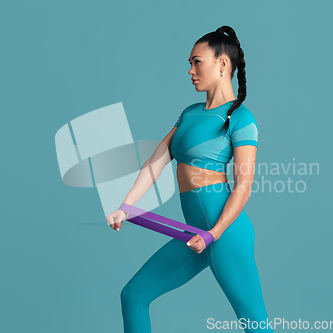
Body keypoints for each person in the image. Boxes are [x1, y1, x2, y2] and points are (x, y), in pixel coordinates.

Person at [106, 25, 274, 333]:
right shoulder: (189, 113)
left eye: (197, 62)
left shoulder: (240, 118)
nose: (190, 70)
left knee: (254, 322)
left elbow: (244, 185)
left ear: (222, 64)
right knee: (133, 296)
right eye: (190, 63)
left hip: (226, 232)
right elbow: (156, 161)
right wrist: (125, 206)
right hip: (194, 233)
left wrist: (214, 233)